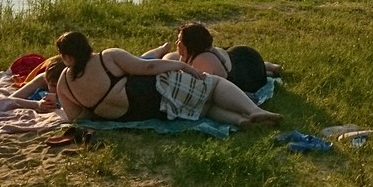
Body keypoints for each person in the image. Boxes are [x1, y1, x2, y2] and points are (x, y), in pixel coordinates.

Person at [51, 31, 281, 129]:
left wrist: (105, 108)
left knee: (204, 108)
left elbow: (78, 118)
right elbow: (148, 66)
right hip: (153, 93)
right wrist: (182, 66)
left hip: (136, 114)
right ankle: (252, 111)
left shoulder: (64, 83)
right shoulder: (107, 57)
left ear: (66, 56)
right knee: (213, 85)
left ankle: (239, 121)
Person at [169, 22, 283, 94]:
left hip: (247, 75)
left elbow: (199, 89)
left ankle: (271, 69)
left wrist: (181, 62)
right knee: (261, 70)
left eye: (180, 40)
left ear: (190, 44)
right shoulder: (204, 48)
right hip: (244, 58)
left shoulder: (203, 60)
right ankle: (272, 68)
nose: (176, 42)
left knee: (258, 72)